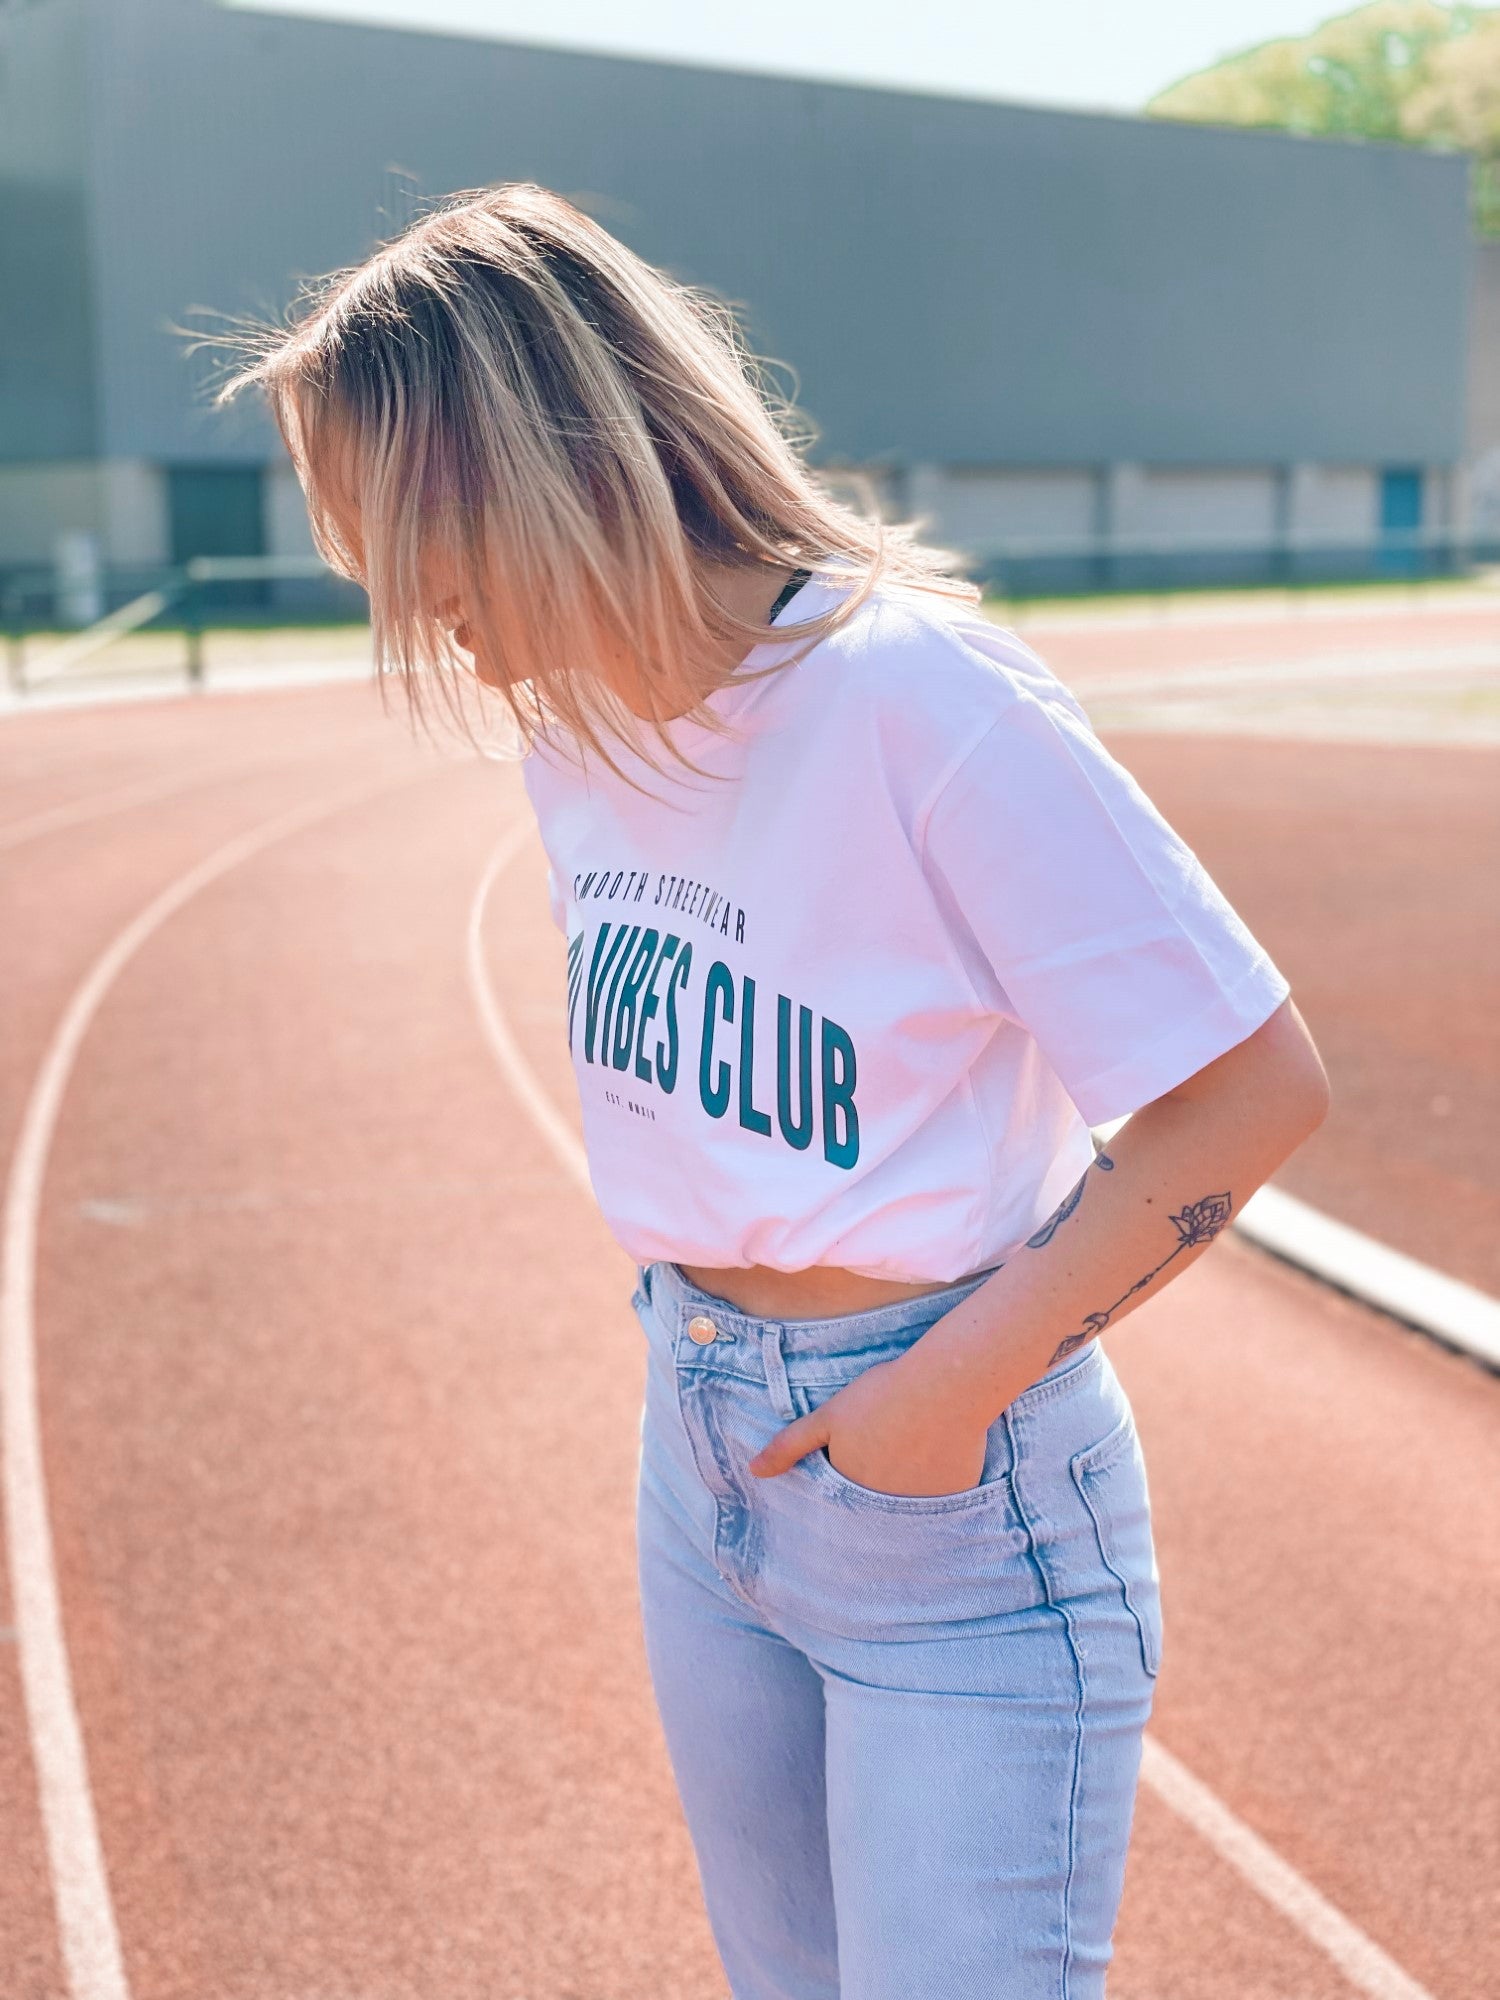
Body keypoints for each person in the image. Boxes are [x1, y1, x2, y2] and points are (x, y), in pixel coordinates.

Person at [211, 181, 1331, 1998]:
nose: (391, 594)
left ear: (527, 467)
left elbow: (1251, 1091)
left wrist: (941, 1400)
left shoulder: (916, 695)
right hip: (700, 1456)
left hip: (947, 1504)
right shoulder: (577, 731)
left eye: (402, 529)